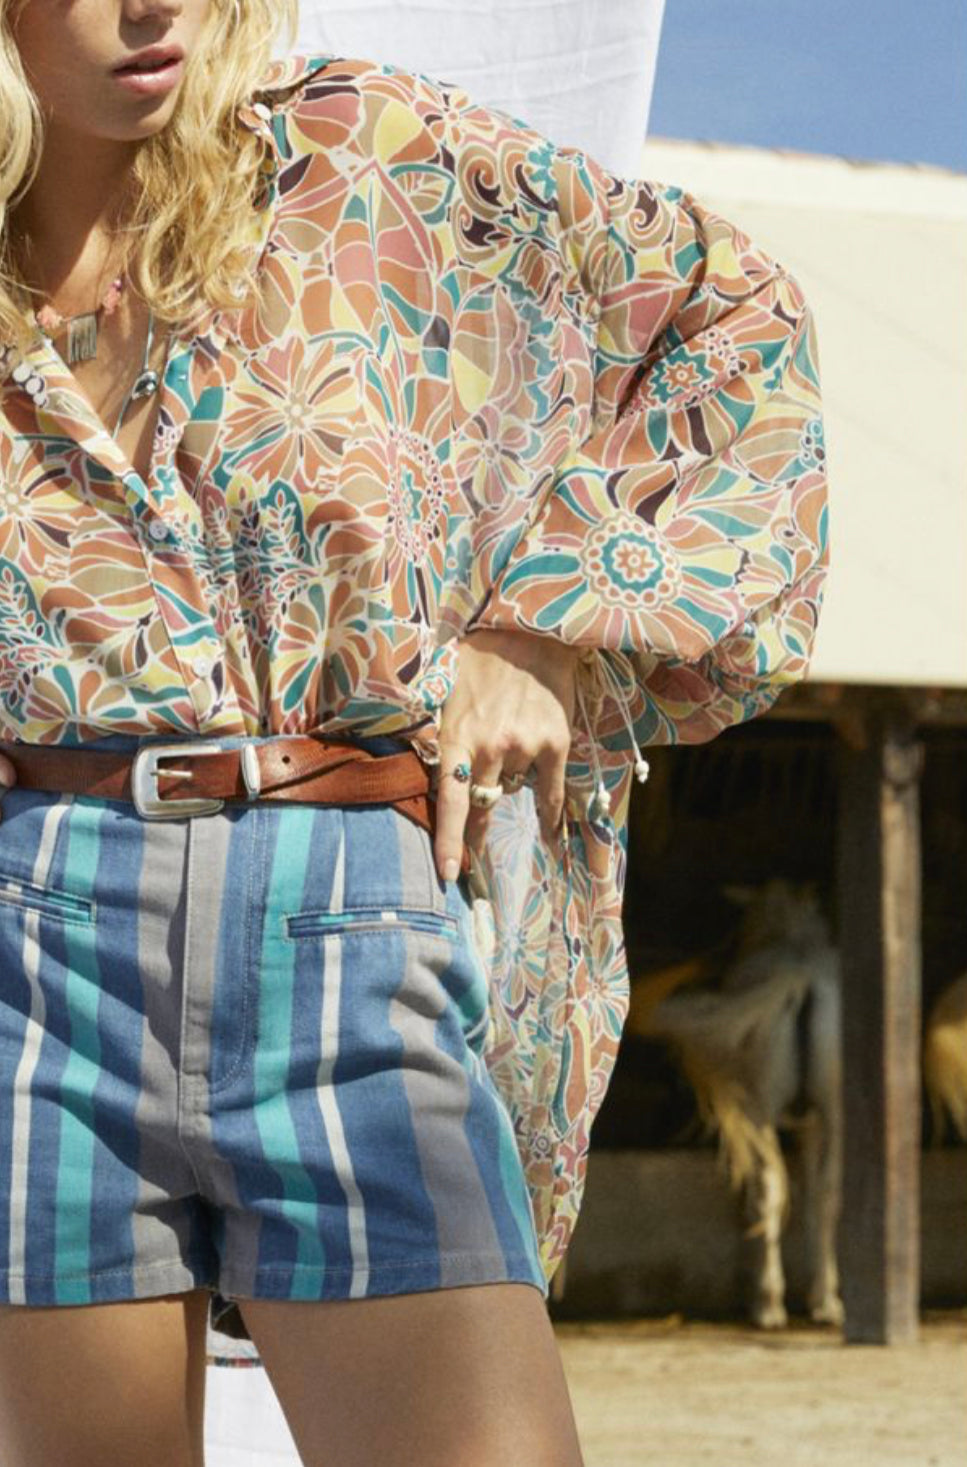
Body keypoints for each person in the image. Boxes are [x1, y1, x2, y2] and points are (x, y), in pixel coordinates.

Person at [0, 2, 828, 1464]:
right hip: (31, 947)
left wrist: (544, 632)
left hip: (339, 923)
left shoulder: (362, 157)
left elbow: (731, 318)